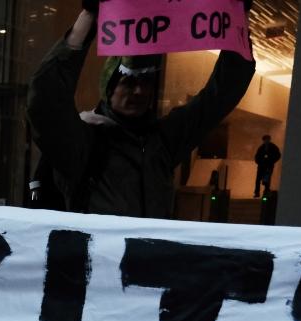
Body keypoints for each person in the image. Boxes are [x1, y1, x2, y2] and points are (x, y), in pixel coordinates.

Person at [26, 1, 255, 218]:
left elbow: (219, 97)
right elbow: (45, 102)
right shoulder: (84, 142)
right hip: (102, 258)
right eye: (128, 82)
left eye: (146, 82)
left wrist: (237, 23)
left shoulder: (163, 139)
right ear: (109, 87)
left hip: (153, 258)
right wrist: (87, 19)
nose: (139, 92)